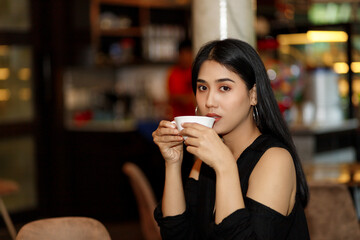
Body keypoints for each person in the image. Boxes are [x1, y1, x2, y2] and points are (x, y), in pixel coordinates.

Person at [152, 39, 309, 239]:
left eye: (224, 88)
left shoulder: (274, 159)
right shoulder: (203, 162)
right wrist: (173, 163)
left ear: (253, 94)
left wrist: (225, 166)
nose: (209, 102)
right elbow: (176, 234)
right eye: (202, 88)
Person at [167, 39, 196, 119]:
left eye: (188, 53)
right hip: (178, 120)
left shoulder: (197, 72)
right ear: (178, 55)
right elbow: (174, 97)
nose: (185, 57)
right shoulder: (174, 74)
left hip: (196, 119)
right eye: (183, 54)